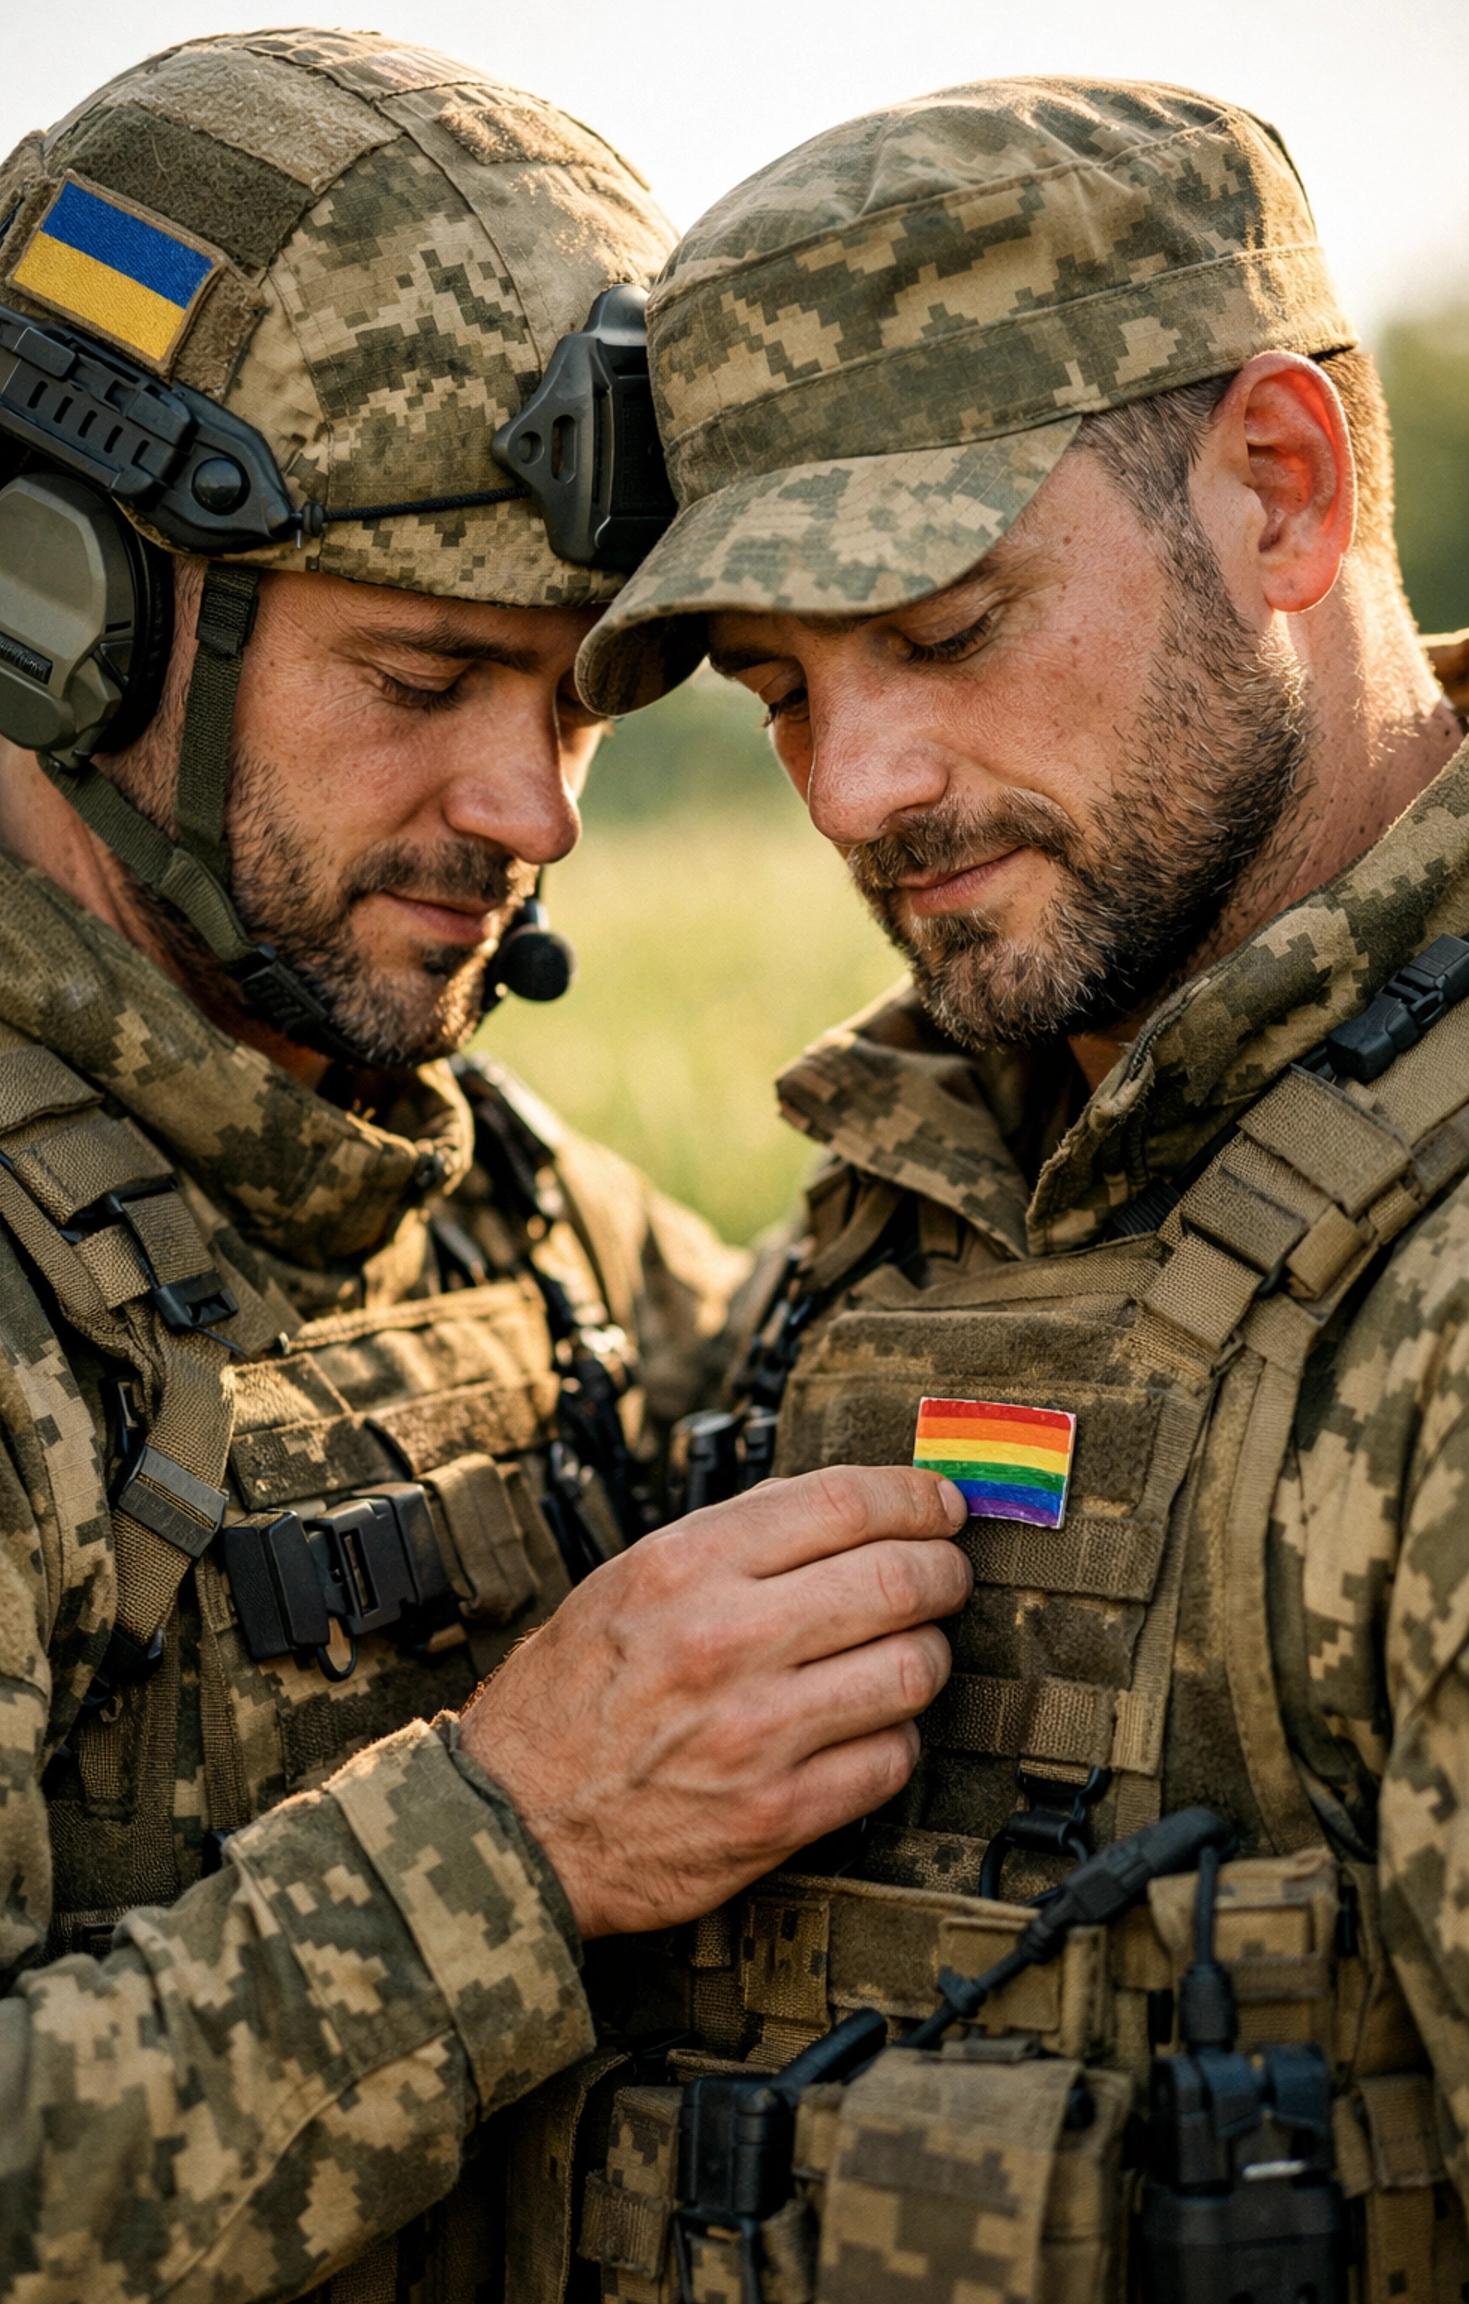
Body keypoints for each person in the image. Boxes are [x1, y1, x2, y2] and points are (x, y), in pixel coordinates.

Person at [0, 32, 973, 2304]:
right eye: (423, 682)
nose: (538, 811)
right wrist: (513, 1845)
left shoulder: (442, 1167)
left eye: (580, 708)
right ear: (62, 612)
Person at [574, 77, 1469, 2301]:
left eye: (951, 627)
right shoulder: (945, 1156)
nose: (857, 787)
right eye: (780, 690)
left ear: (1282, 485)